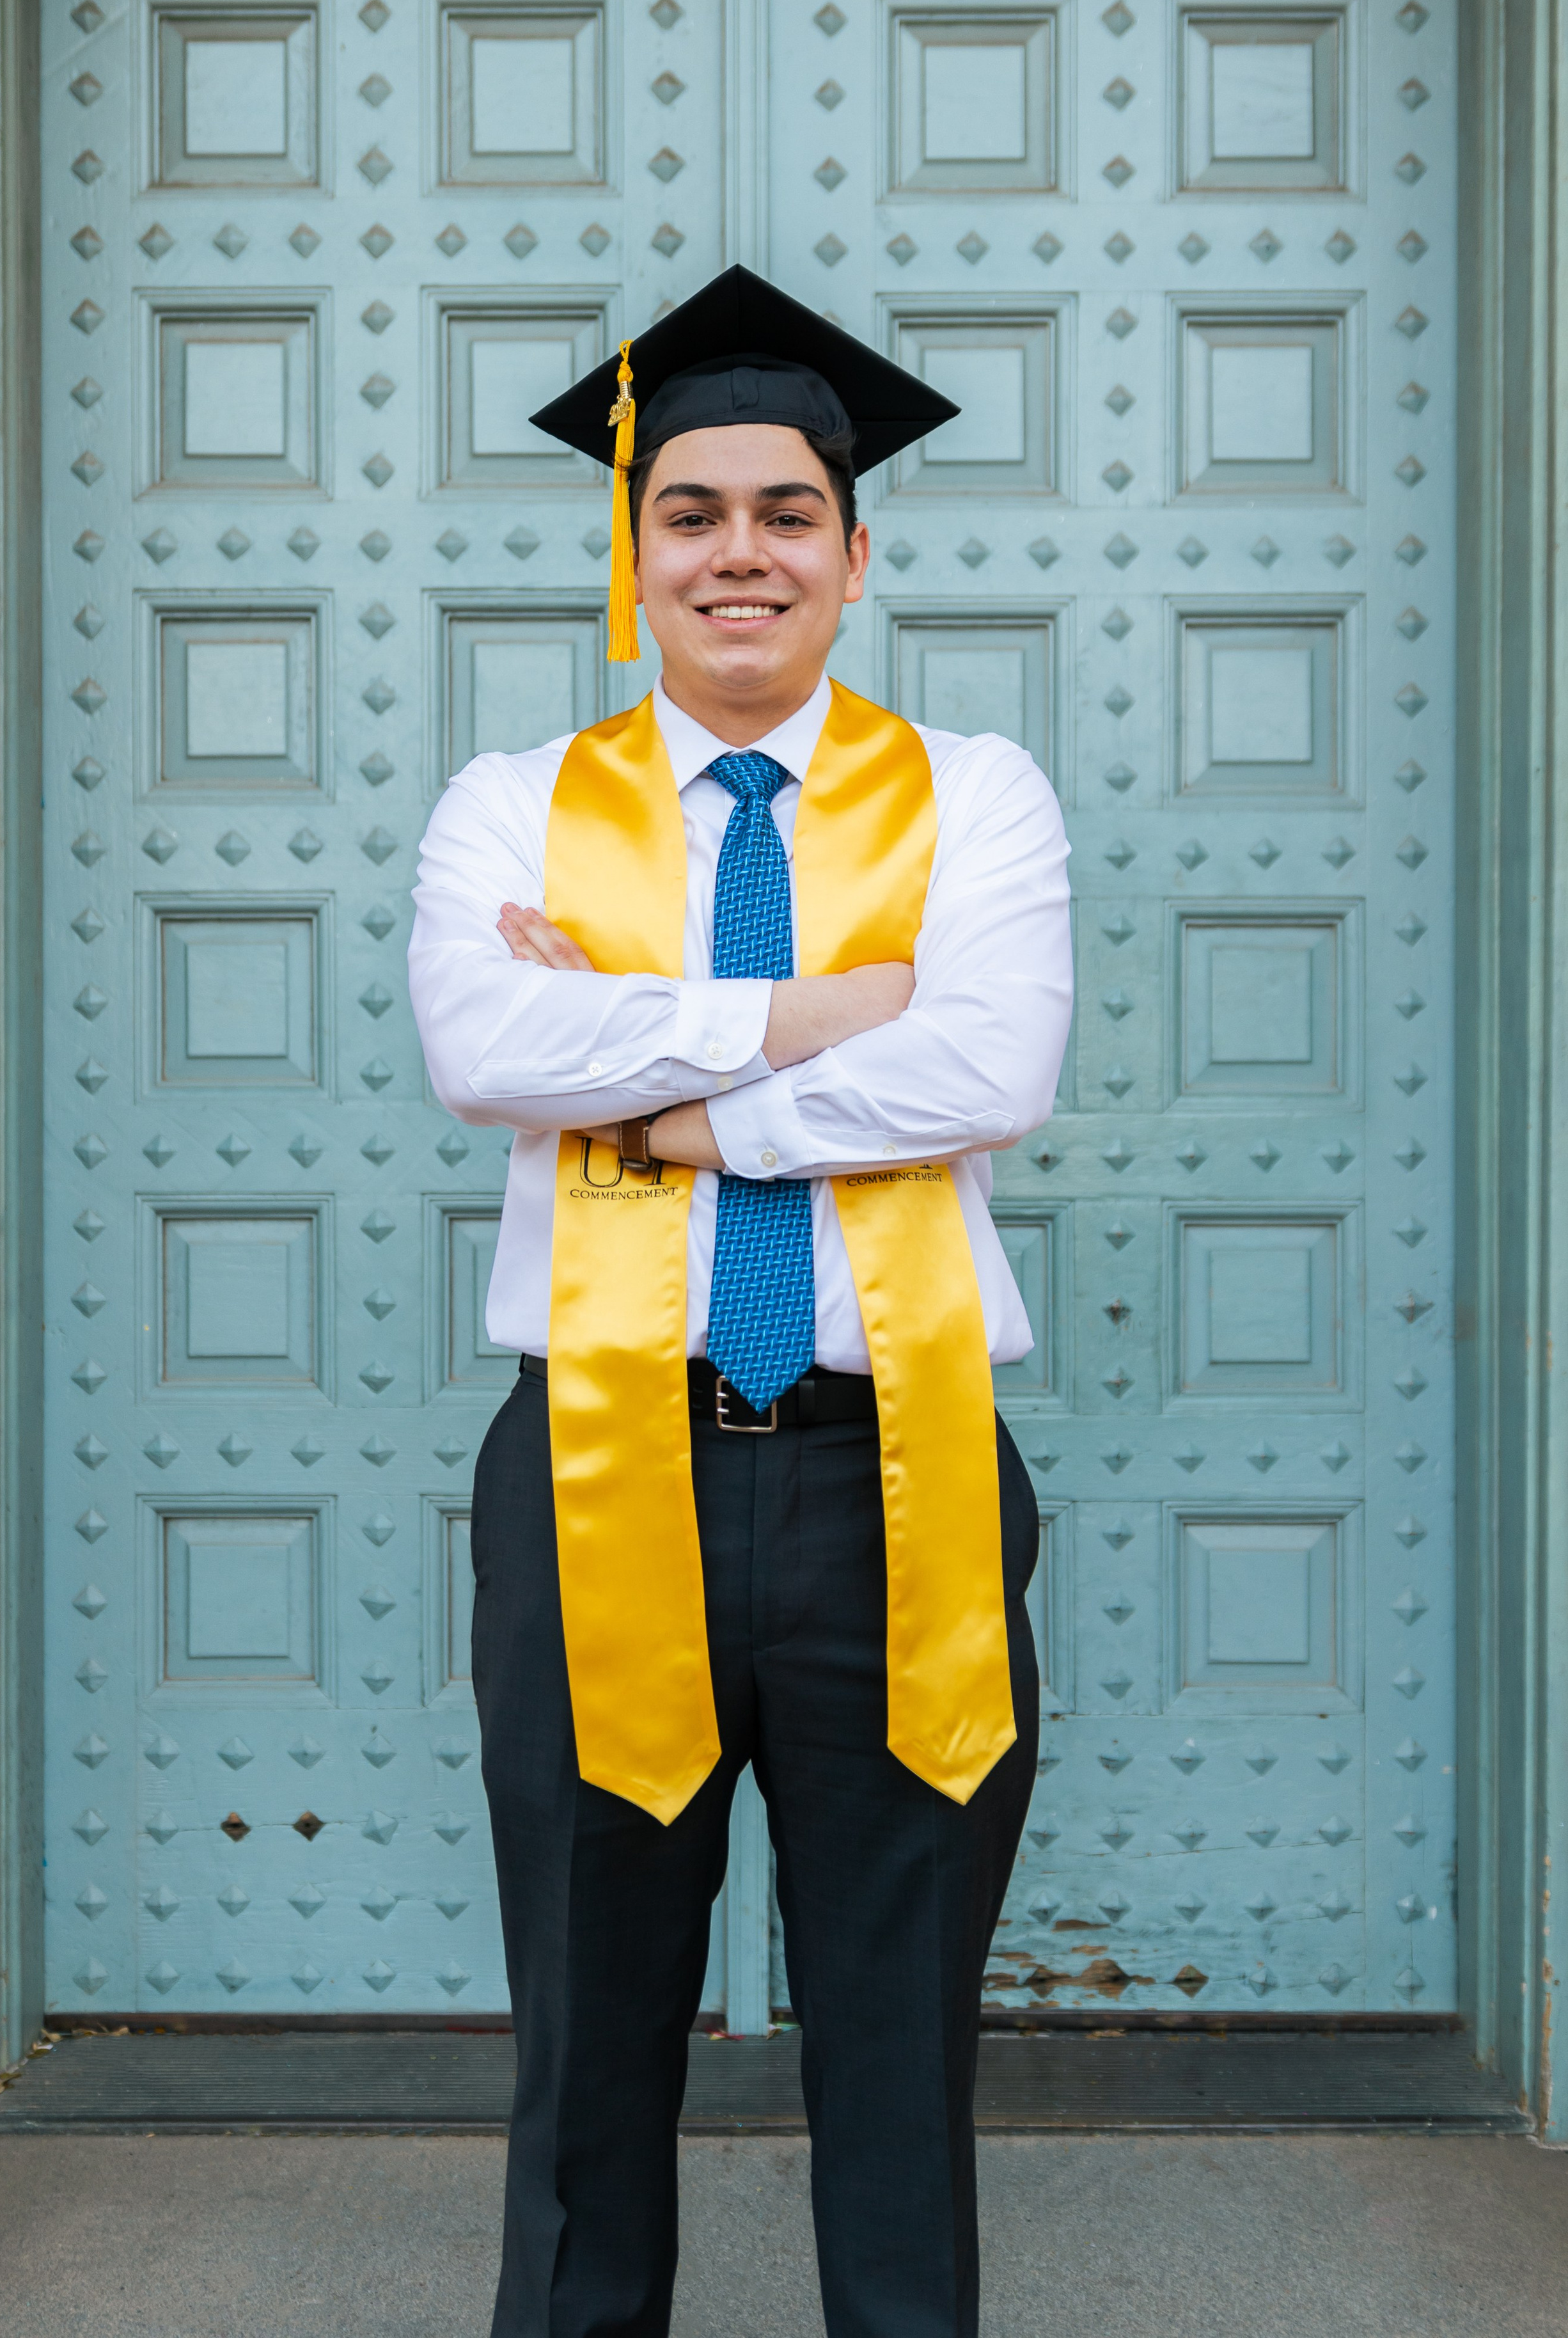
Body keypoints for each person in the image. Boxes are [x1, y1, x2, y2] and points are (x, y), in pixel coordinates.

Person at [409, 265, 1073, 2338]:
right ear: (635, 554)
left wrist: (673, 1092)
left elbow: (993, 1072)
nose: (740, 555)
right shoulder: (507, 805)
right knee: (592, 2038)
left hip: (905, 1472)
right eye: (690, 514)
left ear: (855, 553)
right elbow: (480, 1047)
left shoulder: (983, 794)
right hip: (605, 1470)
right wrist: (813, 1017)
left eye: (787, 513)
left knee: (898, 2034)